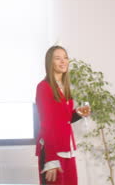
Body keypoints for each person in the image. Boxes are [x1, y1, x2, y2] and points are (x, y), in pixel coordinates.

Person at [35, 46, 90, 185]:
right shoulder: (43, 87)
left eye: (65, 58)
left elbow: (63, 119)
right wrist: (51, 160)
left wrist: (78, 112)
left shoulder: (64, 87)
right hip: (52, 152)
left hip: (68, 149)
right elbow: (46, 124)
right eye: (58, 58)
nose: (63, 61)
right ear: (50, 62)